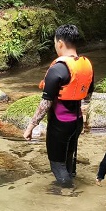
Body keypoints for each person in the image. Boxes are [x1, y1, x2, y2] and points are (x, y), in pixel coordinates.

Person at [24, 24, 94, 187]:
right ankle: (72, 186)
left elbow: (46, 103)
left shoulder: (57, 69)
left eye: (55, 42)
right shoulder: (86, 66)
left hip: (60, 124)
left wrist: (30, 127)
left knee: (57, 165)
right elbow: (87, 95)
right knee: (69, 158)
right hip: (77, 121)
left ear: (60, 43)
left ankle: (67, 193)